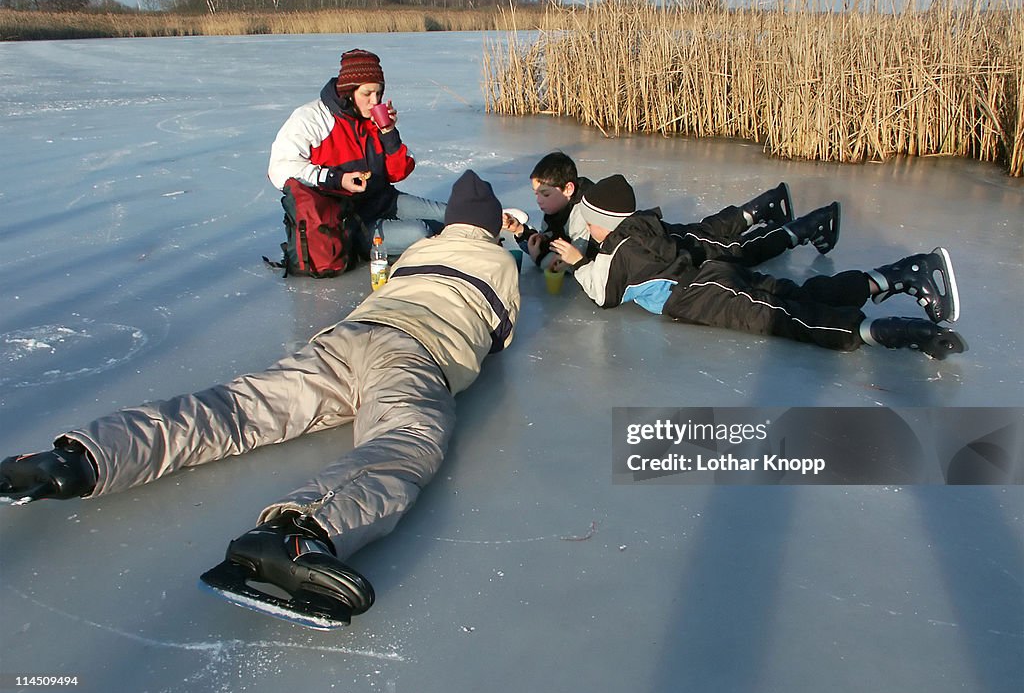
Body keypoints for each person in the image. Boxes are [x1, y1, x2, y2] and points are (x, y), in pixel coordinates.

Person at [0, 170, 520, 629]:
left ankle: (83, 457)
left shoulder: (418, 250)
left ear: (450, 221)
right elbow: (499, 338)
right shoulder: (499, 263)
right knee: (405, 438)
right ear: (491, 225)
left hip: (346, 338)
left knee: (241, 407)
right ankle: (301, 532)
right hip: (415, 354)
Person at [550, 175, 966, 359]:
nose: (588, 231)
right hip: (714, 279)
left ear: (605, 224)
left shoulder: (617, 251)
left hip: (698, 297)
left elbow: (604, 294)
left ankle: (884, 332)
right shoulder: (641, 231)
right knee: (794, 294)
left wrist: (576, 263)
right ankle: (896, 276)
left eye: (591, 224)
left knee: (783, 317)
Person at [503, 151, 841, 272]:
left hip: (658, 249)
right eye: (535, 194)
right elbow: (555, 241)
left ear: (568, 189)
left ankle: (807, 226)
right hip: (653, 237)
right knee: (706, 230)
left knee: (733, 252)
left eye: (544, 194)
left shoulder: (582, 215)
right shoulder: (562, 211)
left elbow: (576, 257)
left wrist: (539, 257)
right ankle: (764, 205)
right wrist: (522, 233)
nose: (538, 201)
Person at [268, 48, 446, 255]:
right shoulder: (311, 119)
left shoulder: (372, 119)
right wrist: (335, 178)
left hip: (383, 201)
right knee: (419, 233)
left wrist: (388, 132)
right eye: (366, 93)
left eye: (378, 93)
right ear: (348, 92)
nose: (374, 101)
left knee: (454, 215)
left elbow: (398, 172)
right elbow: (279, 171)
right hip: (344, 222)